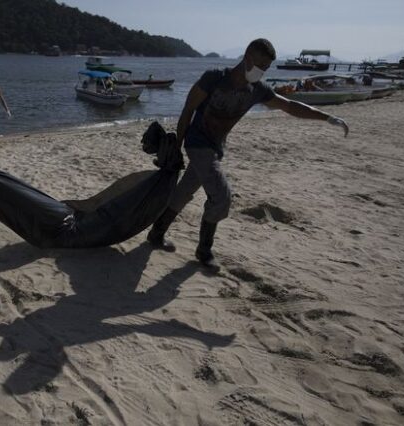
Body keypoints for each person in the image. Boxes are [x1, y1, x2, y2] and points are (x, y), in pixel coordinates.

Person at [146, 38, 349, 271]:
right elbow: (188, 109)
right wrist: (177, 146)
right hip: (197, 143)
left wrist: (328, 118)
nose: (261, 71)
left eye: (266, 67)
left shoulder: (257, 90)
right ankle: (204, 251)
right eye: (259, 64)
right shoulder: (214, 77)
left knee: (183, 192)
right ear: (247, 57)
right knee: (222, 197)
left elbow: (289, 106)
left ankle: (156, 233)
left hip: (215, 147)